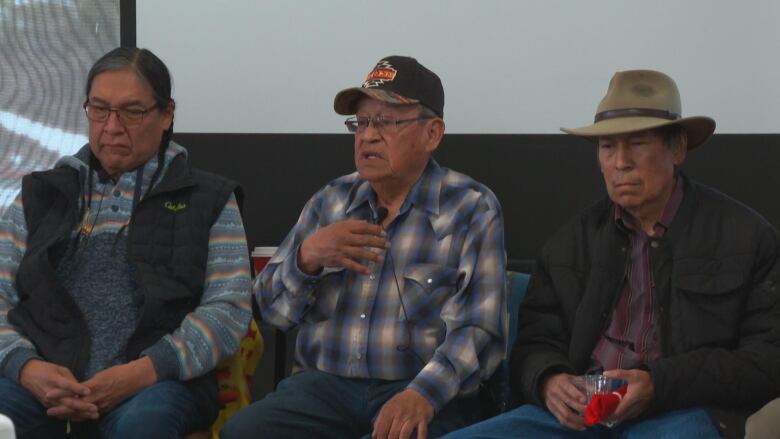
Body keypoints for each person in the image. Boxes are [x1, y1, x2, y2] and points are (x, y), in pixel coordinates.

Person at [443, 70, 780, 438]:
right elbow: (535, 343)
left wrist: (659, 384)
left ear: (678, 148)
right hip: (577, 417)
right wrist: (550, 380)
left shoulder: (746, 237)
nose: (621, 162)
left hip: (681, 411)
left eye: (637, 144)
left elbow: (767, 361)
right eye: (607, 147)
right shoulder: (569, 244)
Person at [222, 56, 506, 439]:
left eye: (386, 122)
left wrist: (422, 394)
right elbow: (272, 313)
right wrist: (307, 258)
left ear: (432, 134)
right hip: (324, 389)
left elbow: (480, 329)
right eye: (361, 122)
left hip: (418, 387)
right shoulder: (330, 201)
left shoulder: (470, 207)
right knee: (244, 432)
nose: (368, 136)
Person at [0, 47, 252, 438]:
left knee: (146, 425)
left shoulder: (211, 198)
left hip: (154, 384)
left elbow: (228, 310)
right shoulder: (40, 194)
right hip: (40, 382)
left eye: (131, 112)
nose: (111, 127)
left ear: (167, 114)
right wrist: (25, 367)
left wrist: (144, 371)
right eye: (99, 109)